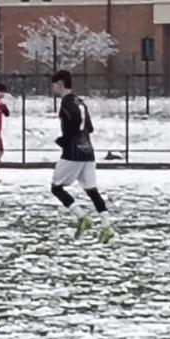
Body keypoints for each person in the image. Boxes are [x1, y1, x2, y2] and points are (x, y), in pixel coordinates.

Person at [49, 71, 113, 243]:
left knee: (56, 188)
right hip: (88, 151)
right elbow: (89, 128)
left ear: (61, 84)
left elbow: (73, 123)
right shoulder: (80, 101)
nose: (53, 88)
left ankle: (81, 216)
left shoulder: (66, 103)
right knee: (92, 190)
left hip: (73, 151)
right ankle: (106, 225)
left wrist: (64, 139)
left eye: (54, 85)